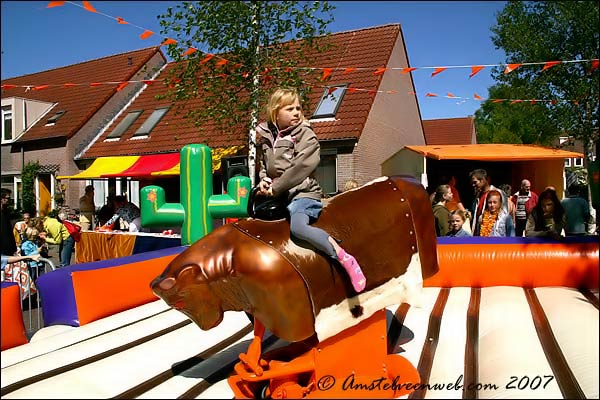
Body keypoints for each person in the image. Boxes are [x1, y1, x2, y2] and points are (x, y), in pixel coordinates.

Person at [255, 87, 366, 293]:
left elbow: (302, 166)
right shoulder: (267, 138)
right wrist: (264, 181)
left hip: (303, 193)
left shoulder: (305, 134)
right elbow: (266, 167)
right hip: (281, 196)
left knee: (298, 227)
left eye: (298, 108)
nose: (296, 112)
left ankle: (343, 257)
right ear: (275, 113)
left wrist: (276, 187)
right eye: (290, 108)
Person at [469, 169, 508, 235]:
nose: (473, 185)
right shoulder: (477, 196)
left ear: (483, 180)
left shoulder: (498, 193)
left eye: (475, 182)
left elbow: (504, 215)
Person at [1, 189, 18, 256]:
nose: (9, 200)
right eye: (8, 198)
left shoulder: (6, 212)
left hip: (8, 249)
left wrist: (13, 248)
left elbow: (9, 231)